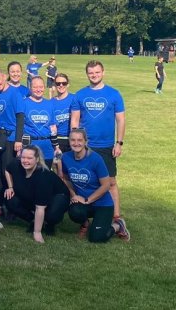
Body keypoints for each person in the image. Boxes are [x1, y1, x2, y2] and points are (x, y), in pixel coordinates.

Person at [70, 60, 128, 238]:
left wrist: (119, 143)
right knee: (83, 181)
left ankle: (117, 218)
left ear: (103, 72)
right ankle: (85, 221)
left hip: (105, 146)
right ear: (86, 74)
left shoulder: (114, 94)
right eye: (90, 73)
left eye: (96, 72)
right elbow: (75, 121)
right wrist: (76, 144)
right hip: (86, 147)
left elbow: (121, 119)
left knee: (110, 182)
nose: (94, 75)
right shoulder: (79, 95)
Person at [60, 128, 129, 243]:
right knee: (74, 212)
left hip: (102, 204)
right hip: (83, 203)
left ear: (86, 142)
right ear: (69, 141)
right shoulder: (65, 157)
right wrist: (74, 195)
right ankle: (85, 223)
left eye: (79, 140)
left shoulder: (95, 159)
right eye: (73, 140)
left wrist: (87, 200)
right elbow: (66, 179)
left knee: (96, 238)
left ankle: (117, 225)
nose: (76, 143)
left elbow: (106, 185)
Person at [4, 145, 68, 243]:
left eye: (30, 158)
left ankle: (48, 223)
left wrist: (37, 233)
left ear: (37, 159)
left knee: (51, 215)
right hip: (33, 196)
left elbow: (40, 207)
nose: (25, 161)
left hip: (57, 198)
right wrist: (10, 187)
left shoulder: (43, 176)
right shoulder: (16, 164)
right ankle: (33, 220)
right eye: (23, 157)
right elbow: (7, 170)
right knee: (9, 198)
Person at [0, 68, 24, 194]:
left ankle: (9, 203)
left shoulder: (14, 93)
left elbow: (20, 117)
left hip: (9, 137)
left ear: (4, 76)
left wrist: (18, 139)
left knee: (6, 170)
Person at [17, 76, 60, 168]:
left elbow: (53, 127)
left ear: (44, 87)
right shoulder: (24, 103)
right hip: (30, 146)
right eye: (35, 87)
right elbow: (19, 126)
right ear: (30, 88)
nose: (38, 89)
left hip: (47, 146)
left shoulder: (49, 104)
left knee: (45, 176)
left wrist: (56, 146)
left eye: (41, 87)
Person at [52, 73, 75, 153]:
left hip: (73, 139)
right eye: (58, 83)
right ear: (54, 85)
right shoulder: (51, 103)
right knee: (57, 164)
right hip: (58, 141)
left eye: (64, 83)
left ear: (68, 84)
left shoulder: (74, 99)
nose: (61, 85)